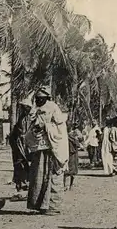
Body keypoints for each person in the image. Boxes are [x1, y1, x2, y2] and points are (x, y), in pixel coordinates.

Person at [24, 87, 69, 215]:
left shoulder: (53, 108)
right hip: (40, 148)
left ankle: (53, 206)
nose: (38, 100)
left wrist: (46, 126)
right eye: (37, 98)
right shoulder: (36, 109)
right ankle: (39, 205)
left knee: (52, 176)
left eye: (41, 98)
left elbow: (60, 127)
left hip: (52, 148)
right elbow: (32, 125)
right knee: (38, 176)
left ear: (46, 98)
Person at [9, 102, 32, 192]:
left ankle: (24, 184)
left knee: (24, 167)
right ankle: (20, 185)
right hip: (18, 151)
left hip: (23, 151)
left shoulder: (26, 120)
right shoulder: (19, 125)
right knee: (19, 167)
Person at [65, 125, 82, 191]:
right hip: (73, 155)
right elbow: (78, 145)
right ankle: (70, 185)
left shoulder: (65, 136)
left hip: (67, 154)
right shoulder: (74, 137)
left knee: (67, 170)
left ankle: (65, 186)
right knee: (73, 171)